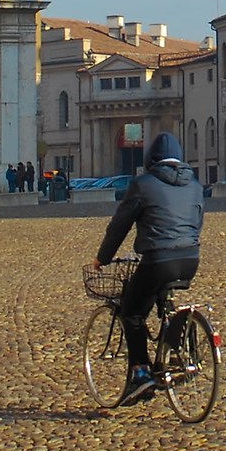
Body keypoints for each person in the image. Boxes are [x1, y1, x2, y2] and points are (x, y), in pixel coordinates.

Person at [89, 132, 204, 408]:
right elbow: (196, 221)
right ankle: (175, 351)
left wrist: (102, 257)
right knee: (165, 300)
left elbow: (120, 225)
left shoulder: (142, 184)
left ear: (150, 159)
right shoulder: (196, 184)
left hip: (158, 259)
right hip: (190, 258)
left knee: (133, 312)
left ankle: (141, 373)